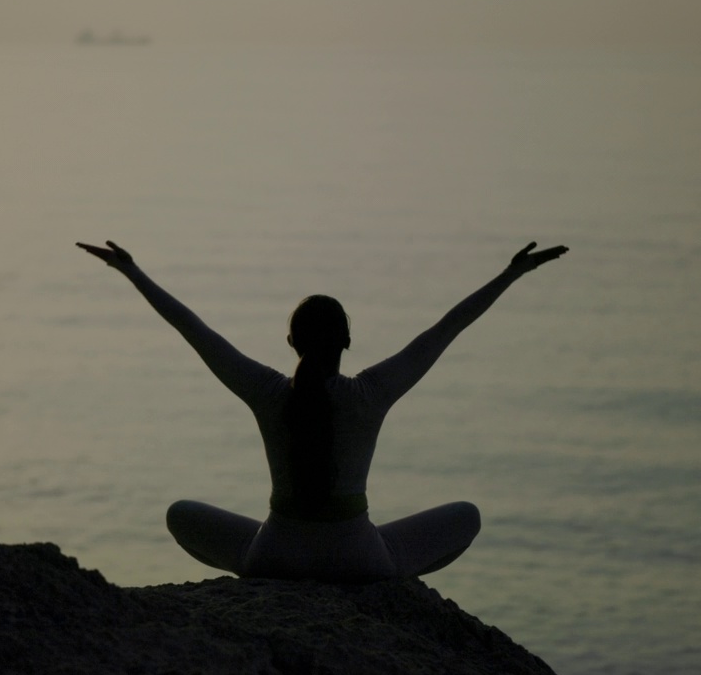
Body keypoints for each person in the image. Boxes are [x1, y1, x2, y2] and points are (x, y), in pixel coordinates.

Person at [76, 239, 568, 582]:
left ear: (290, 342)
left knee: (180, 514)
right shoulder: (372, 392)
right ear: (348, 342)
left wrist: (132, 271)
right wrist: (511, 274)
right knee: (467, 515)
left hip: (274, 556)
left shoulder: (265, 390)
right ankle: (392, 576)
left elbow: (192, 328)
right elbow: (448, 327)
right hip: (360, 560)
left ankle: (268, 565)